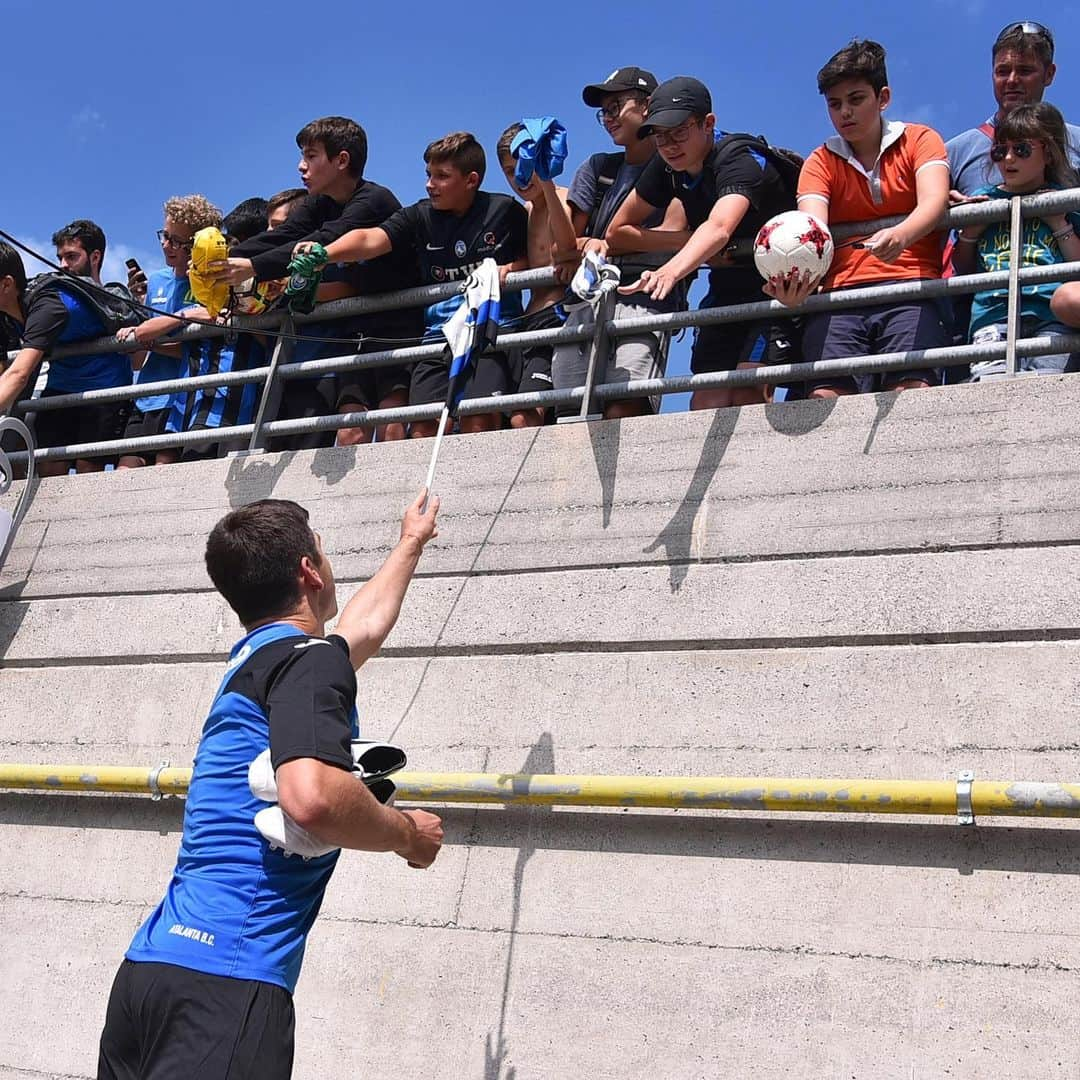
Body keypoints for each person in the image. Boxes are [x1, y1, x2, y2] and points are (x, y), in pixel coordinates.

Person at [97, 489, 444, 1079]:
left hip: (150, 975)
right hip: (227, 984)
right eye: (323, 552)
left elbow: (357, 629)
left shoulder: (257, 660)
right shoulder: (308, 662)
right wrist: (408, 835)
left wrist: (410, 544)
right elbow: (309, 798)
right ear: (310, 570)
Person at [292, 131, 528, 439]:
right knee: (421, 429)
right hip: (436, 337)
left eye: (442, 176)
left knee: (477, 420)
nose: (430, 184)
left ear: (471, 180)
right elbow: (369, 238)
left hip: (492, 331)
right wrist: (325, 254)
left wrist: (513, 269)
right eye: (428, 174)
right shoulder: (419, 215)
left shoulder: (506, 210)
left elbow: (532, 260)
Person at [212, 117, 422, 449]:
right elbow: (284, 236)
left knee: (392, 426)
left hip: (397, 325)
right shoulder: (319, 203)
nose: (301, 166)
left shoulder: (374, 201)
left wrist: (251, 266)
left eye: (311, 156)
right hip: (353, 331)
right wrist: (222, 259)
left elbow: (320, 240)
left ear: (341, 160)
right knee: (349, 430)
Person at [766, 40, 950, 398]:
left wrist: (901, 235)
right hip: (839, 297)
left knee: (911, 393)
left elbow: (935, 201)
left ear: (883, 98)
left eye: (855, 99)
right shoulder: (819, 161)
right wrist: (795, 280)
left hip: (912, 288)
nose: (844, 112)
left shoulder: (922, 139)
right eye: (834, 104)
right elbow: (811, 232)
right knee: (825, 399)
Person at [608, 76, 796, 411]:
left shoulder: (740, 158)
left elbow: (720, 227)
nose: (668, 144)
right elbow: (617, 232)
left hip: (778, 288)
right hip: (726, 288)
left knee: (748, 391)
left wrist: (670, 270)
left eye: (679, 131)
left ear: (708, 124)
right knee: (705, 400)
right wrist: (686, 241)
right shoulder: (665, 166)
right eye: (659, 135)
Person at [552, 66, 691, 420]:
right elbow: (563, 248)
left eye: (616, 106)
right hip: (585, 301)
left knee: (625, 407)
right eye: (605, 112)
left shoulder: (679, 166)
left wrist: (600, 243)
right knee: (569, 411)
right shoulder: (597, 166)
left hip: (645, 299)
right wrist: (543, 182)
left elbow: (672, 240)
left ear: (647, 106)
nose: (609, 118)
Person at [950, 103, 1080, 379]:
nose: (1008, 159)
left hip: (1052, 317)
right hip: (992, 314)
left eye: (1021, 149)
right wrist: (970, 231)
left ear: (1047, 152)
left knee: (1048, 388)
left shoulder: (1064, 199)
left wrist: (1059, 223)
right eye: (999, 150)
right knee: (991, 392)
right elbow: (962, 268)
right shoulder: (983, 200)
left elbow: (1076, 265)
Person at [0, 227, 134, 477]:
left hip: (103, 385)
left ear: (7, 284)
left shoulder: (48, 307)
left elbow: (18, 373)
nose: (63, 264)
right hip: (62, 385)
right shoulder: (5, 313)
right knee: (49, 464)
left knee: (87, 467)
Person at [116, 195, 223, 468]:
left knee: (163, 473)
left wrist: (151, 336)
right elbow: (142, 347)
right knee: (123, 472)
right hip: (145, 395)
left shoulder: (210, 283)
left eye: (177, 241)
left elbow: (195, 351)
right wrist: (149, 332)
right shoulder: (157, 281)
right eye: (164, 236)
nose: (166, 245)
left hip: (179, 398)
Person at [495, 121, 576, 427]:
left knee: (525, 415)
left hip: (557, 319)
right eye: (509, 170)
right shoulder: (522, 213)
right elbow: (530, 261)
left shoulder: (565, 198)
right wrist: (510, 269)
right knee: (507, 415)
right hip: (526, 324)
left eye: (525, 164)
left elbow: (564, 248)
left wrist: (547, 182)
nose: (520, 176)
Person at [947, 21, 1080, 200]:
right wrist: (943, 206)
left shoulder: (1076, 143)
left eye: (1024, 71)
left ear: (1049, 74)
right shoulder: (955, 154)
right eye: (1002, 71)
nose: (1011, 80)